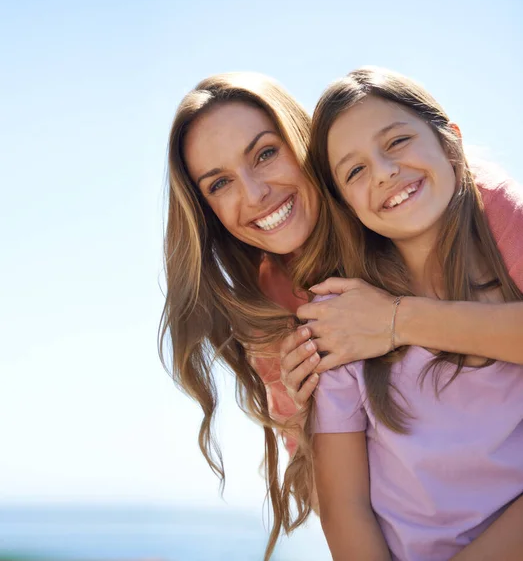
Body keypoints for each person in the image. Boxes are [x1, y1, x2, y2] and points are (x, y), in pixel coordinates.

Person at [159, 71, 523, 558]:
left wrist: (396, 319)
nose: (253, 193)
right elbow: (336, 501)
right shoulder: (275, 308)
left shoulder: (456, 197)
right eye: (220, 183)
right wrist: (299, 416)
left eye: (265, 153)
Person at [276, 67, 523, 561]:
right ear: (344, 204)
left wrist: (395, 320)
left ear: (450, 141)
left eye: (397, 141)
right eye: (355, 171)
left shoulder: (509, 277)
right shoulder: (337, 320)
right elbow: (345, 509)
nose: (385, 171)